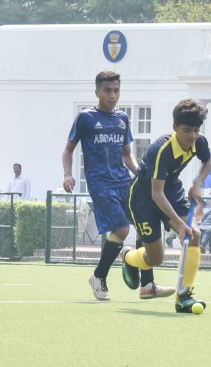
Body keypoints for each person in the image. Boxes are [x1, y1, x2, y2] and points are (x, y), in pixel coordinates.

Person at [62, 71, 173, 301]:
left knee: (143, 225)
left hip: (124, 181)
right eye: (107, 90)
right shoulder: (85, 118)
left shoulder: (122, 118)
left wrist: (139, 171)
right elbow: (69, 149)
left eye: (116, 90)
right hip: (100, 183)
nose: (113, 95)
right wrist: (68, 174)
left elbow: (127, 154)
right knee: (122, 230)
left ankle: (147, 284)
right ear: (97, 91)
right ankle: (98, 277)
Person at [120, 99, 211, 313]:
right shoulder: (160, 150)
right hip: (143, 199)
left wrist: (197, 184)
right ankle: (128, 257)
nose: (192, 136)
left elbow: (208, 162)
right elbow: (156, 193)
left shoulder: (199, 142)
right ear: (175, 127)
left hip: (170, 190)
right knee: (155, 258)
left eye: (196, 130)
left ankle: (184, 297)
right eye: (187, 130)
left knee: (194, 235)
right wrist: (180, 225)